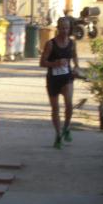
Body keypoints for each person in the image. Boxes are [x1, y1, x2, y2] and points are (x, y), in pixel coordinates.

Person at [40, 16, 80, 149]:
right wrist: (55, 63)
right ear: (58, 29)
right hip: (53, 79)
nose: (64, 31)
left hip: (67, 78)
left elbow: (74, 56)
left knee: (69, 104)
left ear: (70, 29)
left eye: (67, 28)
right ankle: (58, 135)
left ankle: (66, 127)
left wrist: (76, 67)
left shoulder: (72, 43)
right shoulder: (51, 44)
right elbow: (42, 62)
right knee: (55, 108)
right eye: (62, 28)